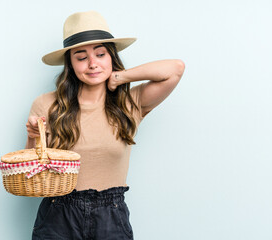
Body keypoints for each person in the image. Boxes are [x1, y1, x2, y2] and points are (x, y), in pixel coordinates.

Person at [25, 10, 185, 240]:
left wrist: (121, 78)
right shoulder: (47, 104)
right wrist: (33, 136)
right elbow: (32, 169)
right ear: (70, 63)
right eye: (81, 57)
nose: (92, 64)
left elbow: (175, 69)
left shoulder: (129, 102)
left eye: (100, 54)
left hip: (111, 214)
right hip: (58, 214)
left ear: (112, 57)